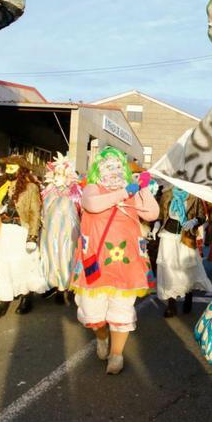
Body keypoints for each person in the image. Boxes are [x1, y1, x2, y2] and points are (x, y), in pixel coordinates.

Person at [70, 147, 158, 375]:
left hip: (126, 265)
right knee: (94, 315)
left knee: (122, 311)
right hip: (95, 264)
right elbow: (92, 205)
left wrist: (143, 189)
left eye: (118, 165)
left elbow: (152, 214)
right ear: (99, 168)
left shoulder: (132, 191)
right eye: (108, 165)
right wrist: (125, 192)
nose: (114, 169)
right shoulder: (92, 188)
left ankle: (117, 354)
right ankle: (102, 338)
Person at [0, 155, 47, 318]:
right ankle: (3, 299)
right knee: (2, 266)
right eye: (8, 167)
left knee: (22, 265)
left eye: (13, 167)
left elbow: (35, 213)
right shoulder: (2, 187)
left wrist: (32, 236)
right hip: (3, 231)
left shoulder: (31, 187)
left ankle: (26, 297)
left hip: (20, 231)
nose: (9, 170)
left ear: (21, 169)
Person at [156, 186, 212, 317]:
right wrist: (156, 226)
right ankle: (171, 305)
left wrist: (194, 221)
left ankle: (188, 296)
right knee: (168, 269)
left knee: (187, 268)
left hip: (186, 237)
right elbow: (160, 216)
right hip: (168, 236)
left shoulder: (193, 196)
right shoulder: (167, 194)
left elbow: (201, 217)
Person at [39, 153, 82, 299]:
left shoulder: (74, 193)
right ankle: (51, 283)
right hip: (49, 231)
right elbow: (43, 211)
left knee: (65, 255)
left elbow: (79, 211)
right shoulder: (48, 193)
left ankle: (64, 286)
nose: (58, 177)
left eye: (61, 174)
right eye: (56, 174)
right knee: (49, 254)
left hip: (67, 232)